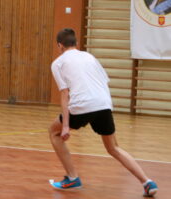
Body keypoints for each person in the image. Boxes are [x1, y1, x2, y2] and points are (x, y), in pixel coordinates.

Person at [48, 28, 158, 197]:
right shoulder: (90, 57)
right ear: (76, 43)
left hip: (82, 106)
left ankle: (72, 178)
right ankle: (147, 182)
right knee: (113, 147)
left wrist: (66, 126)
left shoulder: (58, 63)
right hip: (104, 103)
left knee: (54, 132)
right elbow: (104, 81)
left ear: (59, 46)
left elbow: (64, 94)